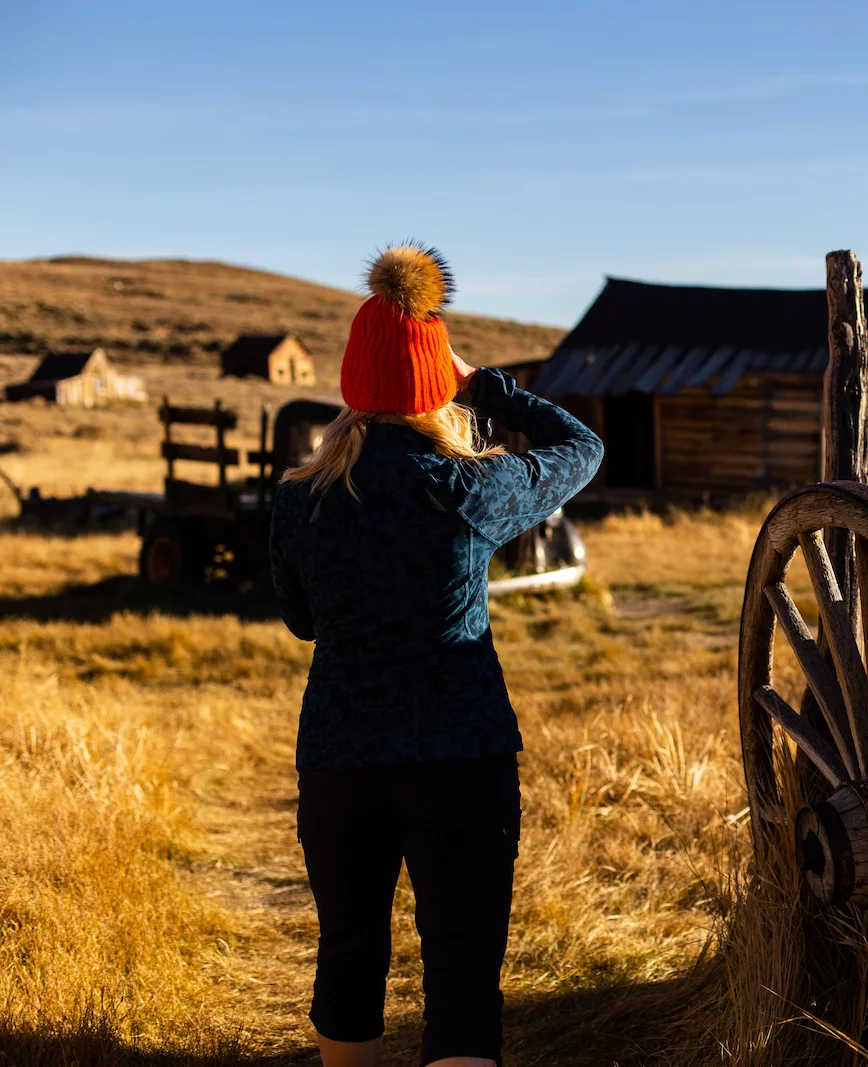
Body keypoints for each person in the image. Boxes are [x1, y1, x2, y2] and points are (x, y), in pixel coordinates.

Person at [270, 245, 603, 1067]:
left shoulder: (297, 498)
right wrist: (481, 380)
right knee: (461, 976)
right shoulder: (471, 490)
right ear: (435, 381)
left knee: (349, 954)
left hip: (343, 757)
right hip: (462, 757)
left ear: (352, 379)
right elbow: (583, 446)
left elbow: (301, 621)